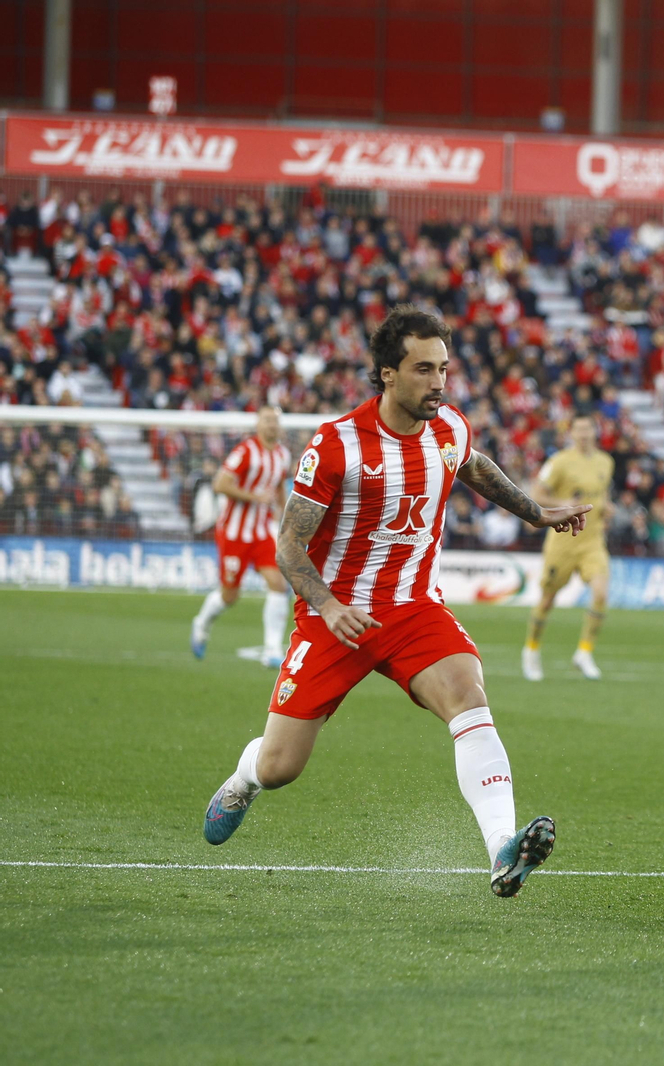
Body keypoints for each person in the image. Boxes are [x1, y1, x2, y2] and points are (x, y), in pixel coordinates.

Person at [201, 306, 590, 899]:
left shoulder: (449, 427)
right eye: (422, 369)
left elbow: (474, 466)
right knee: (281, 767)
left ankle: (503, 850)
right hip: (335, 619)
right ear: (387, 373)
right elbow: (289, 546)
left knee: (468, 693)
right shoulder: (336, 446)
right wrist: (330, 608)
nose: (438, 382)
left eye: (443, 369)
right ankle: (242, 781)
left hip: (413, 609)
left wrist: (534, 512)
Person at [190, 406, 292, 666]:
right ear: (258, 424)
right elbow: (220, 484)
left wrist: (285, 517)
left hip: (260, 532)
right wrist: (255, 497)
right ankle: (201, 622)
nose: (271, 425)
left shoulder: (282, 455)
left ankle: (271, 649)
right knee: (229, 596)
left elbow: (279, 486)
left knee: (279, 584)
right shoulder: (245, 451)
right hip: (234, 533)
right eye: (267, 420)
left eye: (275, 421)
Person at [522, 415, 614, 681]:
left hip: (592, 541)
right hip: (562, 542)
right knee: (547, 600)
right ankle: (531, 650)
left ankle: (584, 652)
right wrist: (562, 501)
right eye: (579, 429)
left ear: (595, 431)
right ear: (571, 432)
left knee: (600, 592)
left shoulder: (605, 462)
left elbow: (603, 494)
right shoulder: (559, 462)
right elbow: (537, 493)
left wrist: (607, 508)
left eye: (588, 428)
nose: (584, 433)